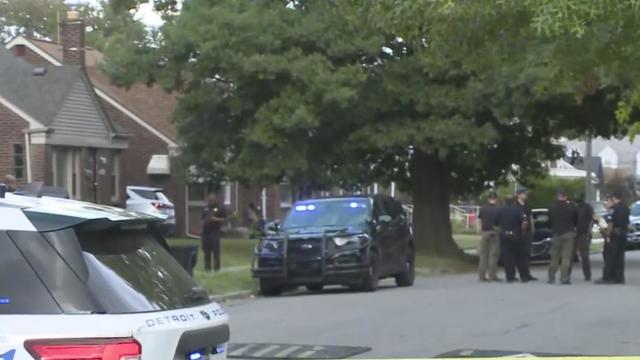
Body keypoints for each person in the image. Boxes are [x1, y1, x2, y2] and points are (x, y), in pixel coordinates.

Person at [597, 192, 629, 284]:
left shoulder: (613, 209)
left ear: (614, 198)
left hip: (615, 234)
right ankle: (620, 278)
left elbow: (610, 223)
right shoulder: (626, 208)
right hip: (623, 233)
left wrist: (608, 235)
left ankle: (607, 277)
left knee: (610, 256)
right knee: (620, 257)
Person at [547, 190, 578, 285]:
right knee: (566, 257)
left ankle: (551, 277)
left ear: (557, 196)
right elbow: (575, 219)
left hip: (556, 233)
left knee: (554, 256)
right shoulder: (571, 207)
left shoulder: (551, 207)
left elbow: (549, 220)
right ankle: (564, 277)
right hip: (568, 232)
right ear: (565, 197)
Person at [495, 197, 528, 283]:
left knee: (507, 257)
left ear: (505, 202)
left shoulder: (499, 210)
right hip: (517, 235)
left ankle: (510, 277)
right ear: (514, 202)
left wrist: (501, 232)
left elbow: (495, 224)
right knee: (520, 257)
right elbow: (524, 222)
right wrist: (523, 231)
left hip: (504, 236)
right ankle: (523, 276)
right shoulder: (518, 210)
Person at [515, 187, 538, 282]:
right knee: (521, 254)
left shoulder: (527, 206)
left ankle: (527, 273)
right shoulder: (515, 206)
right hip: (519, 232)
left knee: (527, 254)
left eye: (526, 193)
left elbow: (530, 217)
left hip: (528, 232)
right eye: (524, 193)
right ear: (519, 194)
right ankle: (522, 275)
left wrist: (533, 229)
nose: (525, 195)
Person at [477, 191, 501, 282]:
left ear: (488, 199)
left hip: (484, 232)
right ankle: (492, 275)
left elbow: (479, 220)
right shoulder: (498, 209)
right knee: (493, 255)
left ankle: (481, 276)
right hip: (494, 232)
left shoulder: (482, 208)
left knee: (483, 255)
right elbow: (500, 222)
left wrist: (480, 231)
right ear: (496, 199)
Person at [201, 193, 228, 272]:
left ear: (215, 199)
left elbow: (225, 219)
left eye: (212, 200)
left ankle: (217, 268)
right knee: (206, 252)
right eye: (209, 200)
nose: (210, 201)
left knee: (216, 252)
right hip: (205, 233)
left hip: (215, 232)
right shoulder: (206, 208)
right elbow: (202, 218)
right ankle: (207, 268)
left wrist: (215, 219)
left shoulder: (220, 207)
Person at [573, 193, 594, 281]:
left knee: (584, 256)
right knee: (570, 256)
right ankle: (566, 275)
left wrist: (589, 231)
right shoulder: (573, 207)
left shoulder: (587, 207)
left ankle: (587, 275)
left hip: (584, 234)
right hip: (574, 234)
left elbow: (592, 219)